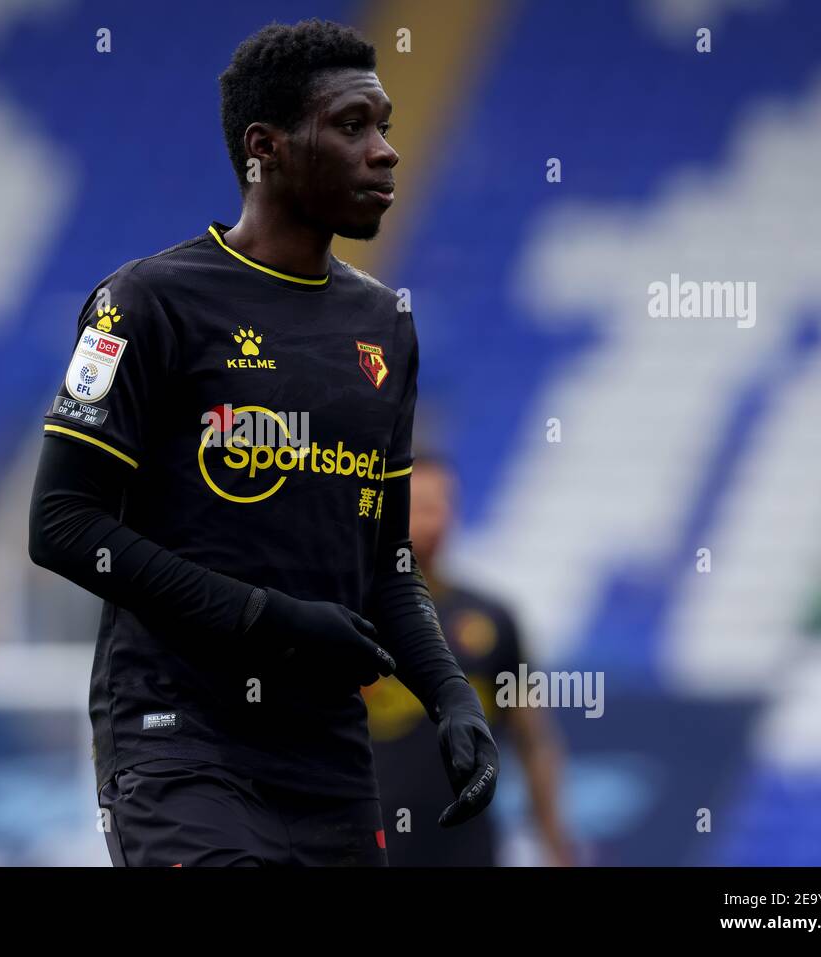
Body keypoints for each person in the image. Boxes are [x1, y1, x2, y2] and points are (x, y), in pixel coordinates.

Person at [28, 18, 496, 866]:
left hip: (328, 758)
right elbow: (63, 525)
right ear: (266, 148)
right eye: (353, 126)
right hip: (180, 740)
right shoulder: (144, 304)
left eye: (386, 124)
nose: (385, 150)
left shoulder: (384, 325)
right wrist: (268, 620)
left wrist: (450, 697)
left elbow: (386, 562)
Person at [365, 453, 575, 866]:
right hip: (372, 843)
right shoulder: (351, 613)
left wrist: (555, 845)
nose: (434, 520)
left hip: (467, 846)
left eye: (443, 505)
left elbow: (532, 740)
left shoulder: (493, 619)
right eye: (420, 507)